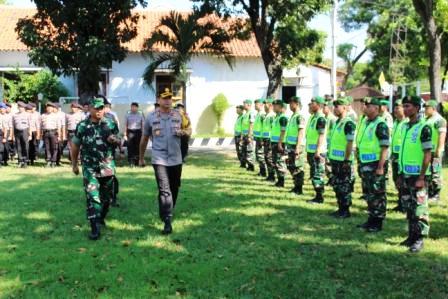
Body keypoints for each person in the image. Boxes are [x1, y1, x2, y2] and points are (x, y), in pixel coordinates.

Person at [139, 88, 190, 235]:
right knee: (164, 189)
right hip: (159, 158)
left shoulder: (180, 115)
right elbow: (144, 138)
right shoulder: (151, 117)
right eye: (164, 98)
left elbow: (189, 130)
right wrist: (141, 157)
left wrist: (184, 132)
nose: (167, 101)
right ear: (158, 100)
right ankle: (168, 221)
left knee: (174, 188)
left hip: (176, 158)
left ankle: (165, 210)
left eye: (169, 98)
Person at [71, 97, 121, 240]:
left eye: (101, 108)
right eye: (96, 108)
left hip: (107, 166)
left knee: (106, 198)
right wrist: (74, 164)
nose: (99, 111)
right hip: (89, 167)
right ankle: (94, 227)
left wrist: (115, 140)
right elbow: (75, 145)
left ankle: (101, 217)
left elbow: (120, 140)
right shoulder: (82, 126)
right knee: (92, 196)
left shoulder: (110, 124)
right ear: (90, 109)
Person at [398, 95, 432, 253]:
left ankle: (419, 239)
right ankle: (411, 236)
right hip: (405, 174)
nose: (405, 109)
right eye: (404, 106)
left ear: (417, 108)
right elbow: (403, 152)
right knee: (409, 207)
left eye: (408, 106)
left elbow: (427, 154)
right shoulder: (405, 126)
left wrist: (421, 177)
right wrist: (399, 173)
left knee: (420, 208)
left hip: (418, 176)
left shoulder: (424, 127)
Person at [356, 97, 390, 232]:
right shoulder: (365, 122)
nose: (364, 107)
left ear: (376, 108)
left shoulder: (380, 124)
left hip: (376, 164)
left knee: (378, 194)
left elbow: (384, 147)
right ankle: (371, 219)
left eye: (368, 105)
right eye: (364, 105)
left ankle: (378, 222)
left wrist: (381, 167)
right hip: (365, 163)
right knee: (369, 193)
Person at [328, 97, 356, 218]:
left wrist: (346, 159)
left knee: (344, 185)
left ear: (344, 107)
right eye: (334, 106)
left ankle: (345, 210)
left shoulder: (348, 123)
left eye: (337, 106)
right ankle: (340, 207)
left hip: (343, 161)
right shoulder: (336, 122)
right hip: (335, 159)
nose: (334, 109)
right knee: (337, 184)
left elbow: (350, 143)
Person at [305, 96, 327, 204]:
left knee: (318, 174)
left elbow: (321, 135)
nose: (310, 104)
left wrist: (318, 150)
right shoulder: (313, 117)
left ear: (318, 105)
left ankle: (319, 197)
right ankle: (317, 196)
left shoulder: (321, 118)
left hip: (318, 152)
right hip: (311, 150)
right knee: (314, 173)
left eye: (312, 103)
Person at [424, 99, 447, 202]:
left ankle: (435, 194)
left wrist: (439, 149)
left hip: (435, 152)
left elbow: (442, 135)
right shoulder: (426, 119)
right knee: (428, 172)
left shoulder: (439, 120)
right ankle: (429, 192)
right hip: (427, 151)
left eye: (427, 108)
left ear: (433, 109)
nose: (425, 110)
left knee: (435, 172)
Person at [284, 96, 306, 195]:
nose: (289, 105)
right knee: (291, 165)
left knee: (298, 167)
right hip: (291, 145)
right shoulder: (293, 116)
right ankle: (296, 185)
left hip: (297, 146)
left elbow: (300, 132)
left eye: (291, 103)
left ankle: (299, 188)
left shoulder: (299, 117)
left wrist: (297, 147)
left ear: (297, 104)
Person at [390, 99, 407, 212]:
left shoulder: (407, 122)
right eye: (395, 107)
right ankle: (400, 203)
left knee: (404, 181)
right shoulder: (396, 122)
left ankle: (405, 204)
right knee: (397, 179)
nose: (396, 110)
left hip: (404, 156)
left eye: (398, 107)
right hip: (395, 155)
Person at [270, 99, 289, 187]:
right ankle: (279, 180)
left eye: (276, 106)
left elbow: (283, 131)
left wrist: (280, 143)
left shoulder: (283, 118)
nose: (274, 107)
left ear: (281, 107)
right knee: (275, 161)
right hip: (274, 142)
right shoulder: (277, 117)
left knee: (280, 161)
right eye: (273, 105)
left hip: (280, 143)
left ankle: (282, 181)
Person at [124, 102, 145, 167]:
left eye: (134, 107)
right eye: (132, 107)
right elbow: (125, 125)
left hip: (138, 132)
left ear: (137, 108)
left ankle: (137, 161)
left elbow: (143, 124)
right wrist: (125, 134)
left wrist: (143, 134)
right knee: (130, 147)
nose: (133, 108)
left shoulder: (140, 115)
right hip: (130, 132)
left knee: (138, 147)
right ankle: (131, 162)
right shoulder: (127, 115)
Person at [41, 102, 61, 167]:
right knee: (47, 148)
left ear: (53, 108)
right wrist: (41, 134)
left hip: (53, 133)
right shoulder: (43, 115)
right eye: (48, 107)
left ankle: (53, 161)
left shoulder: (56, 116)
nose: (49, 108)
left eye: (50, 107)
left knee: (54, 147)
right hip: (46, 133)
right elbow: (41, 126)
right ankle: (48, 161)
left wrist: (59, 136)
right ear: (46, 108)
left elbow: (59, 126)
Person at [12, 101, 31, 168]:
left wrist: (30, 134)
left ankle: (25, 161)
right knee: (18, 147)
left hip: (25, 131)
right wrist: (13, 135)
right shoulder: (15, 115)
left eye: (22, 107)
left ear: (24, 108)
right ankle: (20, 161)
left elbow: (30, 125)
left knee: (25, 147)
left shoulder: (28, 115)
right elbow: (13, 125)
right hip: (17, 132)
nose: (20, 108)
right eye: (19, 107)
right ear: (18, 108)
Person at [262, 98, 276, 181]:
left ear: (270, 105)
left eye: (266, 104)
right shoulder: (266, 116)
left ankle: (272, 175)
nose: (264, 106)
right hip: (265, 139)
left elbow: (273, 129)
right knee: (266, 157)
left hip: (269, 140)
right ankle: (270, 174)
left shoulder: (272, 116)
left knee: (269, 157)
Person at [323, 98, 337, 186]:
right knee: (325, 161)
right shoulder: (325, 118)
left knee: (328, 162)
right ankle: (330, 177)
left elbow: (333, 132)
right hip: (325, 141)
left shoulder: (332, 119)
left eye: (325, 107)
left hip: (329, 142)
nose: (323, 109)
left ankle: (332, 178)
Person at [253, 99, 267, 176]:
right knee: (258, 155)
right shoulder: (258, 114)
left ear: (261, 105)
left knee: (260, 155)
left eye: (256, 104)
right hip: (258, 138)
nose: (255, 105)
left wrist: (261, 138)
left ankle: (263, 171)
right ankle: (261, 170)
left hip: (260, 138)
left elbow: (263, 127)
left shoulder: (262, 114)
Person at [241, 99, 256, 171]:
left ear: (249, 105)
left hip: (248, 135)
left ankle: (251, 166)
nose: (243, 105)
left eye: (244, 104)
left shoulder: (251, 113)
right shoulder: (245, 114)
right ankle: (248, 165)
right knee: (244, 150)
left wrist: (249, 136)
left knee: (249, 150)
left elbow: (251, 124)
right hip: (244, 135)